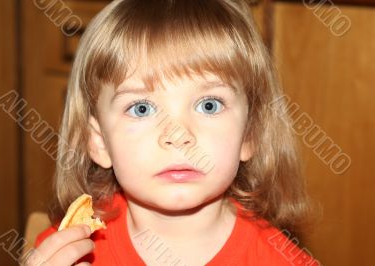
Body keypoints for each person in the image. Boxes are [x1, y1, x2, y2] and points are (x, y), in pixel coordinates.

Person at [26, 0, 319, 265]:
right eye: (141, 108)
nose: (178, 135)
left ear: (250, 134)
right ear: (99, 141)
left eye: (209, 105)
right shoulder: (68, 253)